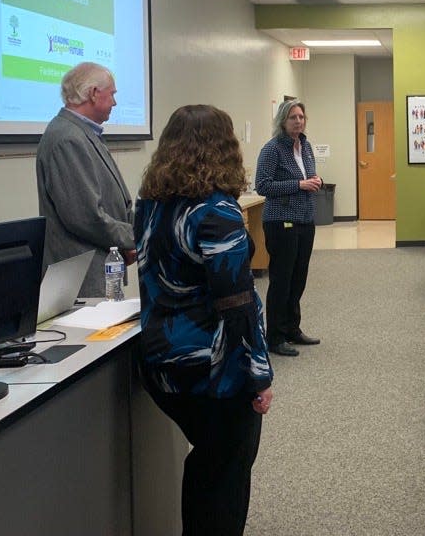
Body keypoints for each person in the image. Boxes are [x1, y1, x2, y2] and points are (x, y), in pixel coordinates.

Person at [134, 105, 273, 536]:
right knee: (228, 470)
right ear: (225, 147)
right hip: (212, 370)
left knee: (208, 460)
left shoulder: (152, 206)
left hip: (162, 365)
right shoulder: (217, 212)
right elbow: (237, 304)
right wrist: (259, 375)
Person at [35, 61, 135, 297]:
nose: (115, 102)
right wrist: (135, 238)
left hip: (99, 269)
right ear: (93, 93)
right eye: (112, 95)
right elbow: (86, 217)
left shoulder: (84, 134)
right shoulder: (67, 138)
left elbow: (114, 202)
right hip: (81, 279)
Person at [255, 99, 322, 356]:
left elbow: (307, 177)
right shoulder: (272, 149)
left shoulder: (305, 146)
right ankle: (274, 337)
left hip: (305, 220)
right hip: (280, 221)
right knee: (281, 279)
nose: (298, 121)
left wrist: (314, 181)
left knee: (298, 278)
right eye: (293, 117)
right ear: (283, 121)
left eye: (301, 117)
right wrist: (299, 184)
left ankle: (293, 328)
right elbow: (263, 186)